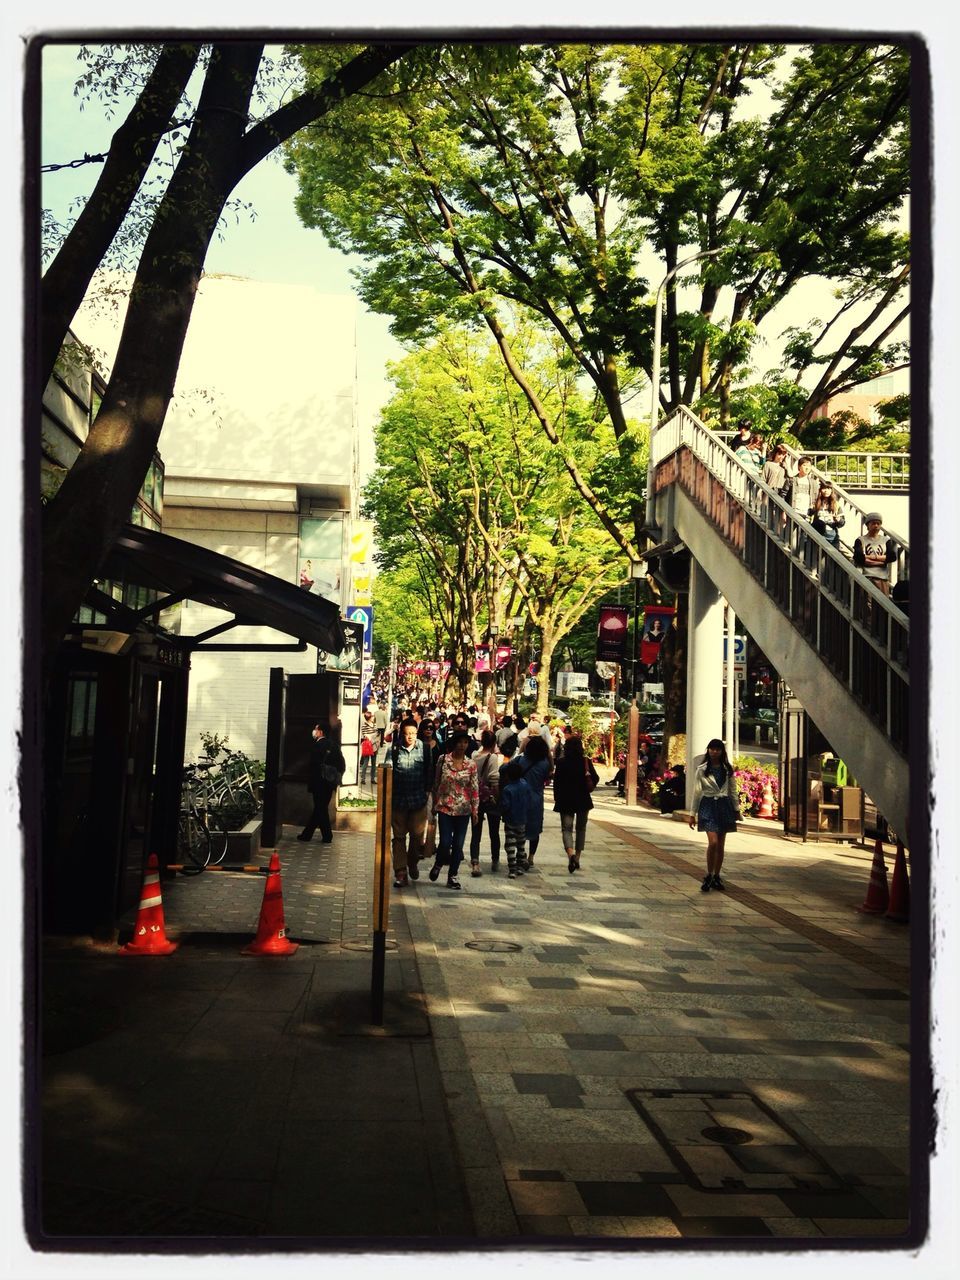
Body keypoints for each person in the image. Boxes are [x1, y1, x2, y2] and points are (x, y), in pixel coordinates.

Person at [429, 729, 479, 891]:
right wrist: (434, 804)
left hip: (463, 809)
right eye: (459, 742)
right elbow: (436, 782)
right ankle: (438, 863)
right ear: (454, 743)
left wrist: (475, 810)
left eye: (465, 742)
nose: (462, 745)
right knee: (445, 842)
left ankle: (453, 875)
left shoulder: (471, 764)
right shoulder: (443, 760)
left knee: (458, 845)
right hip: (445, 806)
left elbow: (474, 788)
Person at [688, 739, 740, 892]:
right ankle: (709, 874)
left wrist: (736, 809)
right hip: (708, 806)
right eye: (712, 749)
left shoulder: (727, 769)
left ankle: (717, 875)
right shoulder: (702, 769)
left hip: (724, 806)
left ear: (722, 751)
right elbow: (697, 792)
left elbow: (733, 790)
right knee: (713, 843)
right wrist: (692, 814)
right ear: (708, 750)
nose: (714, 752)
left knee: (721, 843)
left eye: (717, 749)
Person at [389, 717, 434, 888]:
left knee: (417, 837)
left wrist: (428, 792)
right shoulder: (394, 749)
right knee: (399, 837)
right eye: (407, 733)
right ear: (402, 734)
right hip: (398, 800)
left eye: (413, 733)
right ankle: (401, 872)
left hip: (418, 800)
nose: (410, 737)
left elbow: (429, 771)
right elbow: (387, 771)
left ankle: (412, 861)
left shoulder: (424, 749)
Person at [551, 734, 599, 874]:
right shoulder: (585, 761)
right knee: (581, 829)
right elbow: (595, 778)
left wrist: (556, 797)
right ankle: (577, 857)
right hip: (583, 799)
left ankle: (570, 854)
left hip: (565, 799)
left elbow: (557, 782)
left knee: (566, 829)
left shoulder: (561, 762)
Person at [297, 724, 345, 844]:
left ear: (320, 732)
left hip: (318, 782)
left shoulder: (317, 746)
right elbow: (341, 764)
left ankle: (325, 836)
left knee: (320, 808)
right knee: (320, 808)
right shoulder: (334, 745)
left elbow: (313, 767)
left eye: (316, 729)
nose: (314, 731)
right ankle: (309, 834)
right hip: (329, 782)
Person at [514, 733, 553, 869]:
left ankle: (521, 853)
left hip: (520, 798)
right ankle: (531, 856)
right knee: (535, 830)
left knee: (520, 828)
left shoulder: (521, 760)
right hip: (536, 800)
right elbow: (548, 774)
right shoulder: (545, 763)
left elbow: (505, 769)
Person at [469, 728, 502, 876]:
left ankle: (475, 862)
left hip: (476, 796)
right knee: (494, 832)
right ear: (494, 742)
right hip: (489, 796)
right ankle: (495, 860)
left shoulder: (474, 756)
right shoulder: (493, 758)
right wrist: (496, 797)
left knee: (476, 832)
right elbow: (494, 779)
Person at [499, 758, 532, 879]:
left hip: (510, 820)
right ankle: (519, 865)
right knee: (520, 843)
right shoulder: (525, 785)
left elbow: (505, 805)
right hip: (522, 819)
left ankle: (512, 868)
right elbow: (529, 800)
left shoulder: (507, 789)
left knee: (510, 844)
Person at [853, 513, 899, 597]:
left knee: (883, 604)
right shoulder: (860, 540)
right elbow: (858, 557)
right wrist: (882, 562)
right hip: (866, 576)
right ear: (868, 525)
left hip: (882, 577)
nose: (876, 526)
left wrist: (868, 558)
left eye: (878, 523)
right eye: (873, 523)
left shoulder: (886, 540)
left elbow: (892, 557)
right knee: (867, 605)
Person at [810, 481, 845, 550]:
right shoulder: (815, 503)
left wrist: (838, 520)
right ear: (820, 490)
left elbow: (842, 523)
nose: (826, 491)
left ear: (832, 490)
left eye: (829, 488)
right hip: (818, 536)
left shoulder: (836, 504)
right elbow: (809, 517)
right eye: (824, 488)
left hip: (832, 537)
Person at [358, 705, 380, 787]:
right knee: (366, 763)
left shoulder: (375, 725)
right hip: (368, 746)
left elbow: (377, 735)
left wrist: (372, 737)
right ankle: (363, 778)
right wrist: (372, 736)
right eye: (372, 716)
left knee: (374, 763)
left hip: (374, 746)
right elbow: (365, 735)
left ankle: (372, 778)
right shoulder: (364, 725)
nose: (373, 718)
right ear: (369, 717)